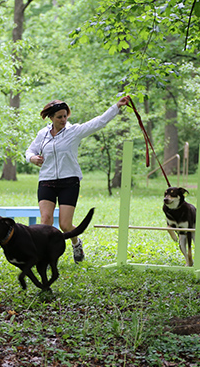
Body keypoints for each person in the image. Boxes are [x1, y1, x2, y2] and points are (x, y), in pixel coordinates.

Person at [25, 96, 130, 263]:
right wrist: (32, 158)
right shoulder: (42, 134)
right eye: (59, 117)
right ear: (51, 117)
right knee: (45, 221)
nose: (63, 120)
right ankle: (45, 256)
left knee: (65, 226)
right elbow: (30, 150)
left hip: (69, 182)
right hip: (46, 181)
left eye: (65, 116)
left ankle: (76, 243)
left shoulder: (74, 131)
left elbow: (99, 122)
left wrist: (116, 106)